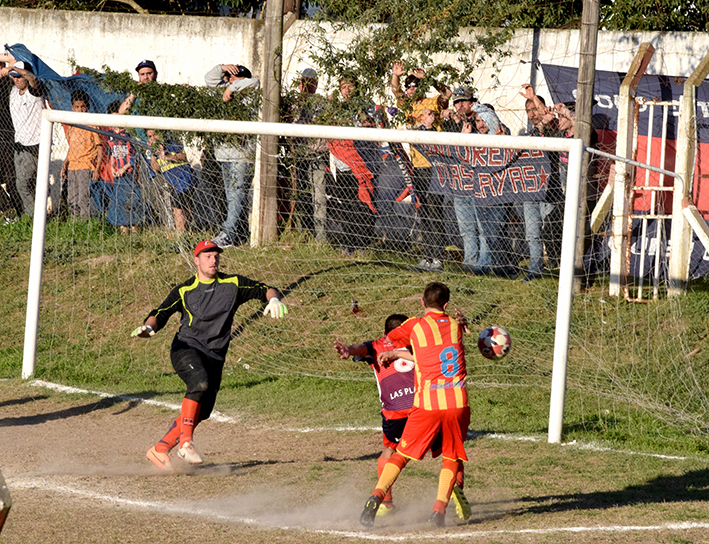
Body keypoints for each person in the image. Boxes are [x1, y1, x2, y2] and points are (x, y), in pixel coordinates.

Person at [132, 239, 289, 469]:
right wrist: (149, 328)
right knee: (199, 383)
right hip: (185, 348)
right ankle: (186, 444)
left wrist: (273, 298)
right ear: (196, 260)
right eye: (207, 256)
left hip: (215, 356)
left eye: (216, 255)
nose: (213, 260)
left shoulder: (233, 284)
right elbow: (160, 313)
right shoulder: (185, 290)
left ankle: (160, 448)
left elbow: (264, 289)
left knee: (202, 411)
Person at [335, 312, 471, 521]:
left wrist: (348, 350)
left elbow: (361, 348)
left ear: (385, 333)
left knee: (390, 450)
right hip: (428, 405)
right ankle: (455, 486)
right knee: (451, 451)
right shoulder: (418, 343)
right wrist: (458, 324)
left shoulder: (377, 345)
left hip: (397, 413)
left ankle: (385, 501)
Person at [390, 61, 452, 272]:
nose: (411, 89)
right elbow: (395, 91)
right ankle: (427, 256)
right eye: (409, 85)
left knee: (435, 210)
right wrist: (396, 75)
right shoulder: (408, 106)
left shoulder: (431, 102)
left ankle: (438, 258)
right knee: (423, 210)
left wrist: (429, 77)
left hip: (435, 165)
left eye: (415, 85)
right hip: (418, 167)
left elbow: (447, 93)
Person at [204, 63, 260, 247]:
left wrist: (233, 87)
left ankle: (228, 233)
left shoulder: (249, 94)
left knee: (237, 193)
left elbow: (255, 82)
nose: (231, 81)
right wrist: (221, 67)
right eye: (230, 78)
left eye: (236, 78)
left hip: (242, 154)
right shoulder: (223, 90)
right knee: (231, 195)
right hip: (223, 153)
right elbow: (209, 79)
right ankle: (239, 233)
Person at [4, 59, 45, 217]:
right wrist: (8, 71)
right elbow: (9, 58)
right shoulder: (13, 91)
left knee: (22, 184)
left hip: (33, 144)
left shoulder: (33, 92)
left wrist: (13, 68)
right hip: (19, 144)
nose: (17, 80)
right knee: (23, 183)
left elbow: (32, 79)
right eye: (13, 77)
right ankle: (34, 214)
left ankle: (33, 217)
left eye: (19, 76)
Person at [103, 100, 145, 234]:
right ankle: (123, 229)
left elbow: (135, 155)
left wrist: (124, 168)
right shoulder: (109, 135)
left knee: (132, 200)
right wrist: (113, 168)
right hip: (118, 174)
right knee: (119, 201)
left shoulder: (128, 133)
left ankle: (135, 228)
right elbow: (110, 154)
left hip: (129, 173)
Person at [60, 90, 104, 219]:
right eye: (77, 107)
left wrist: (97, 169)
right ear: (73, 108)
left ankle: (86, 225)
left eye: (83, 106)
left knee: (83, 198)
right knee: (71, 199)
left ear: (88, 107)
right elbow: (71, 147)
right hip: (72, 166)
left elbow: (99, 148)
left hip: (86, 166)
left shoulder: (91, 124)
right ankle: (75, 224)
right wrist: (64, 165)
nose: (80, 110)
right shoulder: (72, 126)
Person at [145, 129, 197, 234]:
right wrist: (153, 156)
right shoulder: (154, 151)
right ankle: (188, 232)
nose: (153, 138)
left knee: (178, 210)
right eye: (150, 137)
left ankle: (181, 236)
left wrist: (169, 157)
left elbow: (183, 155)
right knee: (184, 209)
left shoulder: (171, 143)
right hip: (174, 184)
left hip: (184, 179)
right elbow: (155, 168)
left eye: (155, 135)